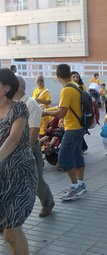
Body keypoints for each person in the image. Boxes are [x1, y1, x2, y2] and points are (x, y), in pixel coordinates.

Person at [0, 68, 38, 254]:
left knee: (12, 232)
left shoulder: (18, 108)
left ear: (7, 87)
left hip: (21, 175)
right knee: (7, 233)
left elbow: (13, 138)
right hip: (2, 179)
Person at [13, 75, 55, 218]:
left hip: (29, 148)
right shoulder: (10, 103)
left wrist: (26, 151)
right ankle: (8, 216)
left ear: (18, 87)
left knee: (35, 180)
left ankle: (48, 203)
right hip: (11, 147)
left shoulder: (31, 104)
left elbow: (34, 130)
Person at [43, 64, 86, 201]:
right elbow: (64, 106)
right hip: (79, 127)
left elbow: (62, 112)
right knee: (78, 156)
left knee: (63, 159)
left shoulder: (66, 90)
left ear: (57, 77)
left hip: (72, 128)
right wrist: (48, 111)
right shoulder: (75, 85)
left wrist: (45, 112)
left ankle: (75, 187)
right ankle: (80, 184)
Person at [71, 71, 88, 152]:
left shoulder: (82, 86)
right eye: (73, 77)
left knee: (79, 132)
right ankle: (82, 148)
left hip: (80, 113)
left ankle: (81, 148)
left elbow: (86, 99)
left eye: (77, 77)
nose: (75, 79)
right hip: (71, 114)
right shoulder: (68, 87)